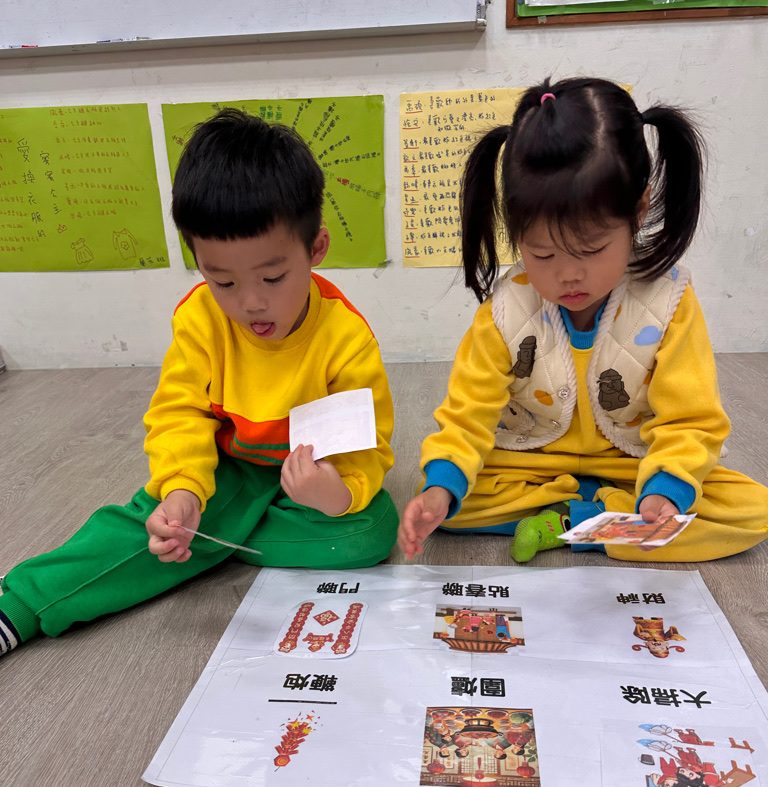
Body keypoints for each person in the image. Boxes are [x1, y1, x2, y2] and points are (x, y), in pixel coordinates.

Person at [0, 109, 397, 657]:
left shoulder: (347, 337)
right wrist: (185, 490)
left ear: (316, 249)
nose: (251, 302)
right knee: (158, 525)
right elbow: (179, 414)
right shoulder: (199, 320)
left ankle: (214, 541)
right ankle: (21, 601)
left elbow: (366, 447)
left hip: (303, 478)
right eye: (222, 281)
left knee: (370, 533)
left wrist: (335, 492)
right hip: (224, 468)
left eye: (273, 277)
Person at [397, 77, 768, 564]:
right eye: (542, 253)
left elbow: (691, 420)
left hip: (633, 463)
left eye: (591, 249)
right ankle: (596, 520)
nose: (568, 275)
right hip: (532, 460)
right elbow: (467, 416)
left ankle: (571, 520)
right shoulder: (506, 310)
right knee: (452, 503)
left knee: (750, 511)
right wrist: (440, 491)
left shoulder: (669, 302)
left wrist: (665, 491)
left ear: (639, 209)